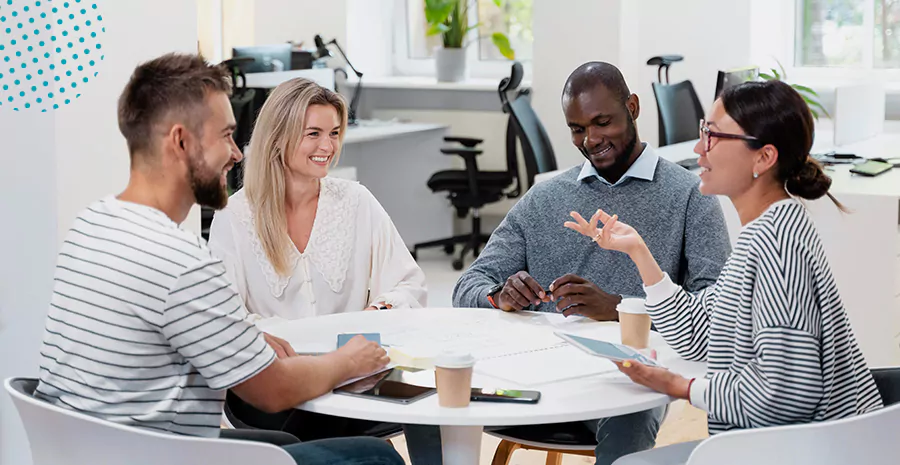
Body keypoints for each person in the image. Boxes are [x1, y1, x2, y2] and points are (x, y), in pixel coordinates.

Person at [34, 53, 403, 465]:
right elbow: (272, 391)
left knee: (294, 445)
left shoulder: (93, 225)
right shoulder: (181, 261)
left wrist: (243, 338)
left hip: (96, 448)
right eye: (226, 135)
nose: (238, 153)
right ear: (181, 141)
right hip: (162, 455)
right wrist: (348, 361)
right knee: (375, 457)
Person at [562, 80, 884, 465]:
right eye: (703, 132)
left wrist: (683, 387)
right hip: (786, 446)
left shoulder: (776, 246)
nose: (699, 148)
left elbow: (785, 395)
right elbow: (702, 335)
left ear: (762, 158)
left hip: (803, 453)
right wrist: (640, 253)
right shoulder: (767, 230)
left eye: (712, 136)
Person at [452, 61, 731, 464]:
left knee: (628, 416)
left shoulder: (690, 196)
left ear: (633, 108)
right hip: (541, 373)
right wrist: (499, 297)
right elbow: (468, 286)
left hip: (630, 378)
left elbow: (716, 309)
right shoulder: (546, 197)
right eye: (577, 128)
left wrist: (619, 309)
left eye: (603, 122)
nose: (591, 139)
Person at [206, 78, 437, 463]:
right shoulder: (235, 215)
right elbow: (226, 319)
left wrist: (377, 313)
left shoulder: (356, 202)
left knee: (432, 396)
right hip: (272, 386)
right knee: (359, 440)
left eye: (333, 133)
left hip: (353, 379)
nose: (327, 147)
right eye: (313, 134)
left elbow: (409, 284)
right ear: (278, 136)